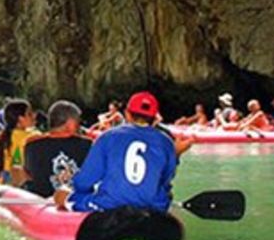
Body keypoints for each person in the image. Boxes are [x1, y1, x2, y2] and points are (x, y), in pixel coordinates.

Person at [54, 91, 191, 214]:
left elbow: (84, 182)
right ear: (154, 119)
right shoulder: (166, 142)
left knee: (62, 195)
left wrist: (72, 190)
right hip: (154, 206)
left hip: (110, 205)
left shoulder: (107, 136)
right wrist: (176, 154)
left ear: (127, 114)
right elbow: (165, 182)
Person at [21, 100, 92, 197]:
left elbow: (27, 175)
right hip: (76, 206)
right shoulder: (86, 145)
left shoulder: (32, 145)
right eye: (78, 121)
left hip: (40, 204)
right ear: (70, 122)